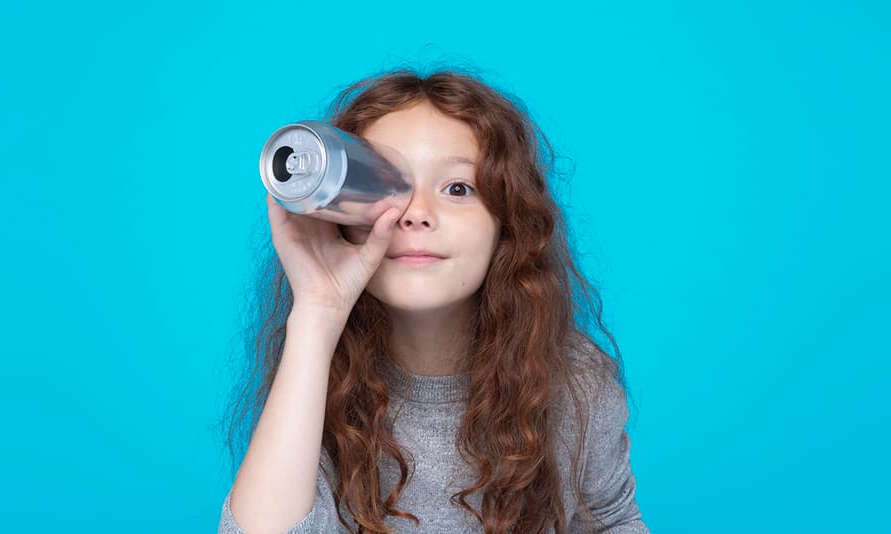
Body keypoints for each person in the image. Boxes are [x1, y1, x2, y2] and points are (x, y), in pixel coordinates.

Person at [217, 67, 650, 533]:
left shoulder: (577, 380)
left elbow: (612, 519)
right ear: (340, 219)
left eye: (458, 189)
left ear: (506, 224)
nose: (418, 214)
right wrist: (317, 313)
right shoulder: (319, 381)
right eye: (389, 186)